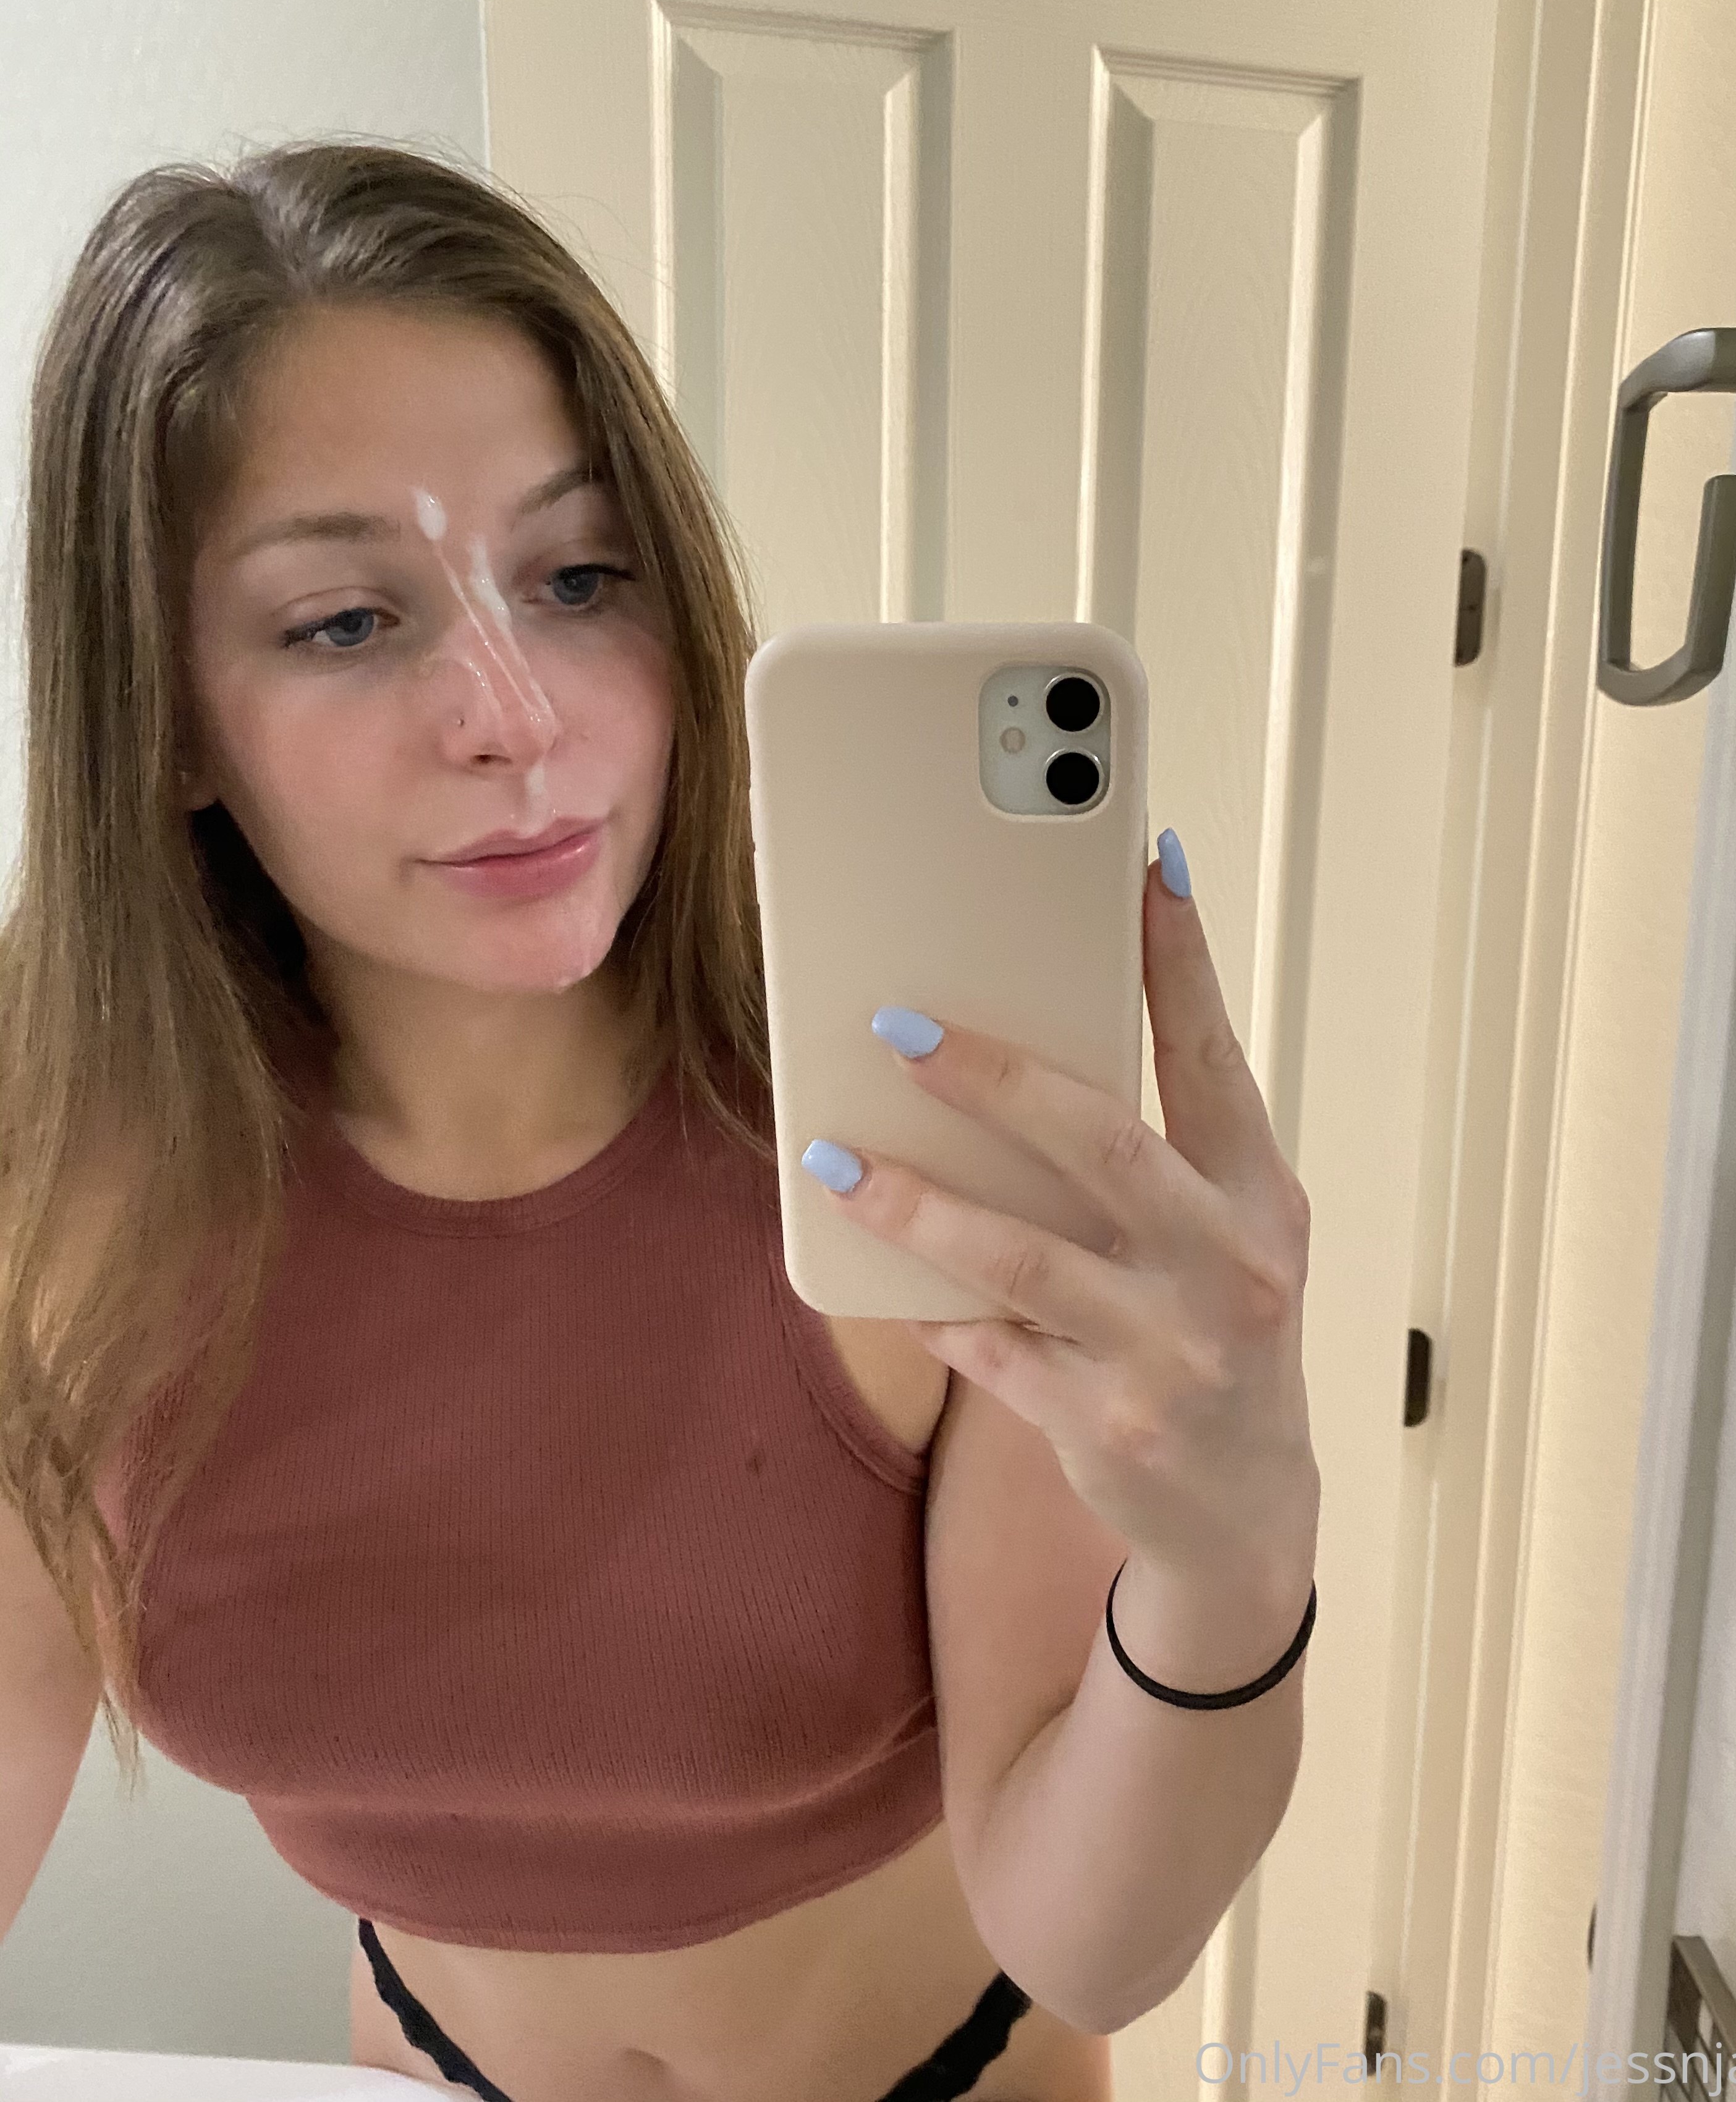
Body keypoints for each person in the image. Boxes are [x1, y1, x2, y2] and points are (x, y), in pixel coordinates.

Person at [0, 142, 1322, 2102]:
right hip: (422, 2074)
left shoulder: (902, 1122)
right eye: (345, 620)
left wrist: (1234, 1554)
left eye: (579, 577)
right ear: (164, 710)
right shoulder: (62, 1172)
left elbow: (1094, 1934)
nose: (515, 715)